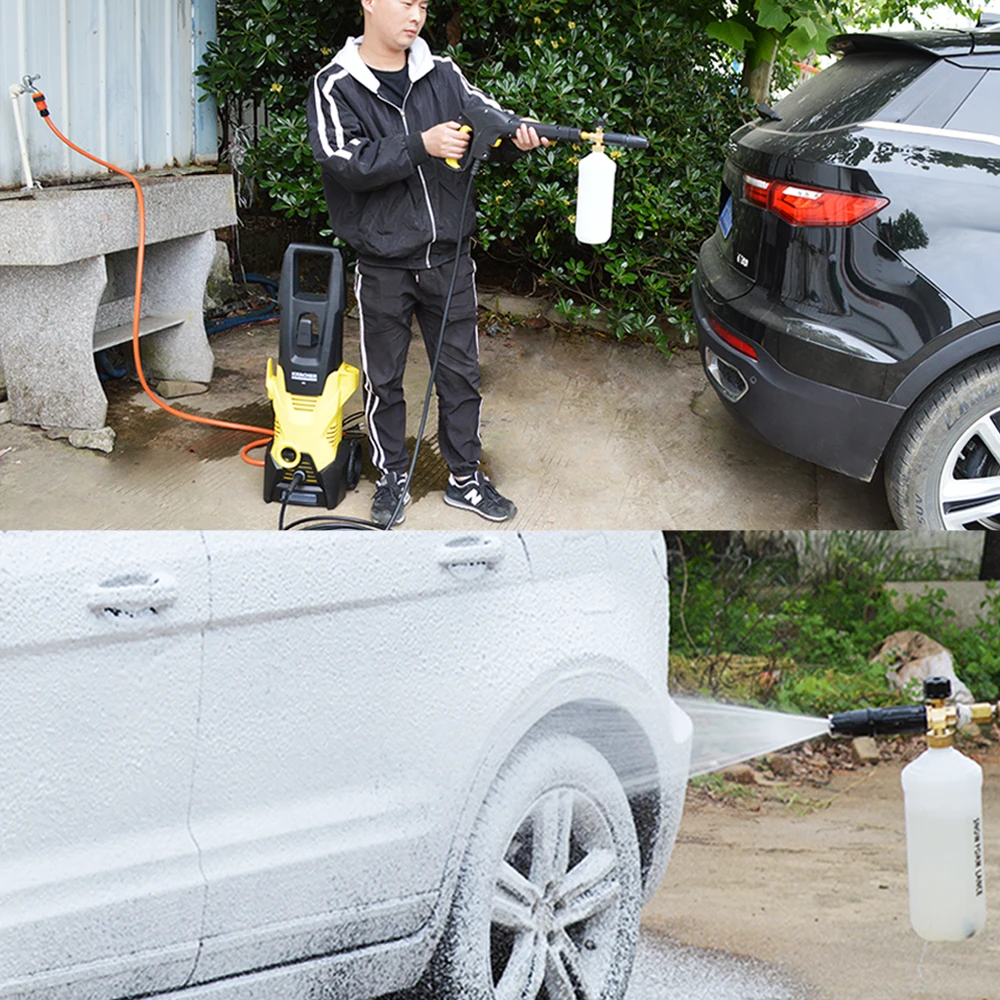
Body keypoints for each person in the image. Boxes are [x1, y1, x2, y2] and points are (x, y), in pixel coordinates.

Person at [306, 0, 546, 526]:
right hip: (383, 263)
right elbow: (345, 162)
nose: (415, 14)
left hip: (450, 259)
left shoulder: (443, 74)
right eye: (404, 1)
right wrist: (421, 144)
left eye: (423, 4)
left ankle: (465, 477)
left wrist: (518, 137)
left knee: (460, 375)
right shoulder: (335, 84)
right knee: (383, 380)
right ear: (369, 2)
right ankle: (391, 475)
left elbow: (489, 124)